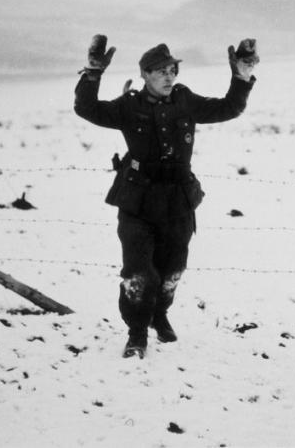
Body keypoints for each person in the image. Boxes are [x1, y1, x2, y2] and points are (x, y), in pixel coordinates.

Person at [74, 34, 258, 359]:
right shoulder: (129, 106)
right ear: (145, 74)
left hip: (178, 200)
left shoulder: (185, 101)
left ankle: (160, 314)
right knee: (139, 272)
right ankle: (136, 333)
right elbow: (86, 108)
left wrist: (241, 76)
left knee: (172, 269)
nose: (169, 76)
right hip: (138, 201)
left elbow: (229, 108)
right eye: (160, 71)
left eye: (172, 69)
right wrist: (92, 72)